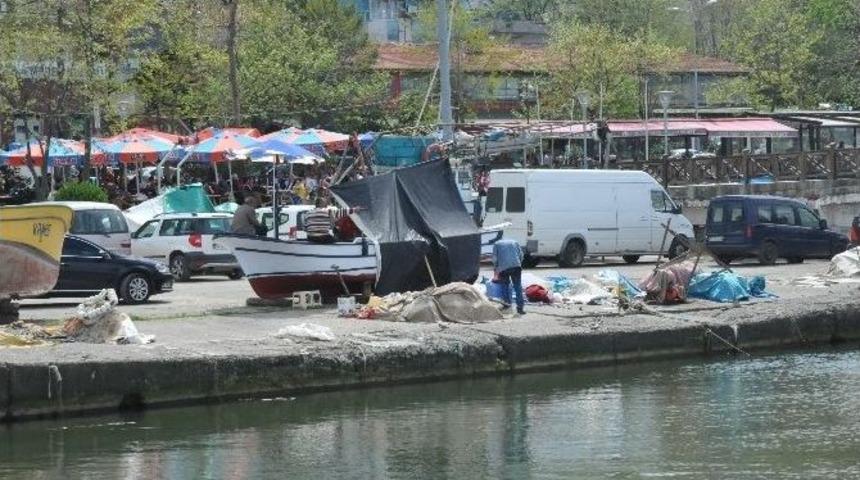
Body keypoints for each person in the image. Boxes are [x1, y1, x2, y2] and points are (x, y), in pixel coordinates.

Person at [492, 238, 524, 314]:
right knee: (517, 287)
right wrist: (518, 263)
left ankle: (507, 305)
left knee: (505, 286)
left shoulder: (496, 244)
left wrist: (496, 268)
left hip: (503, 268)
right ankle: (520, 308)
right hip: (516, 266)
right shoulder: (514, 242)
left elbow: (495, 259)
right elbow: (521, 255)